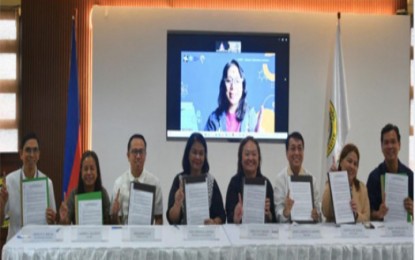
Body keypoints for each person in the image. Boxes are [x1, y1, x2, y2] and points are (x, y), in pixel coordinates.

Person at [0, 132, 56, 241]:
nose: (31, 154)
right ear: (21, 154)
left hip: (39, 244)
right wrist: (2, 203)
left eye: (35, 150)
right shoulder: (9, 181)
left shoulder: (47, 183)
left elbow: (52, 222)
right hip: (15, 245)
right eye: (28, 150)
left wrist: (52, 219)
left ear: (39, 154)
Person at [166, 132, 226, 225]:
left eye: (201, 153)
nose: (197, 157)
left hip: (206, 235)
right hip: (183, 236)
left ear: (205, 157)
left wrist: (214, 222)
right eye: (194, 152)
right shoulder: (179, 180)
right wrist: (177, 204)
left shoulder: (211, 181)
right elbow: (172, 219)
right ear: (188, 154)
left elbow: (222, 216)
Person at [111, 134, 163, 224]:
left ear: (145, 155)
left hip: (148, 236)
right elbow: (115, 224)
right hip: (125, 236)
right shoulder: (118, 183)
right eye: (134, 152)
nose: (138, 156)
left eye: (141, 152)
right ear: (128, 155)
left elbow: (159, 219)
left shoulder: (154, 183)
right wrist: (114, 215)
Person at [366, 123, 413, 221]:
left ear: (399, 145)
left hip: (404, 232)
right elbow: (367, 213)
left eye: (393, 142)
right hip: (380, 234)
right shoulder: (373, 177)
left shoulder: (410, 176)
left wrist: (412, 209)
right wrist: (378, 214)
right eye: (386, 142)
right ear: (381, 147)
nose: (390, 146)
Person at [225, 136, 276, 223]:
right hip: (239, 234)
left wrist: (268, 214)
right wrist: (235, 217)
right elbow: (229, 219)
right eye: (247, 154)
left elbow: (274, 220)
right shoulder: (234, 183)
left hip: (261, 234)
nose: (251, 158)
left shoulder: (266, 183)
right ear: (241, 158)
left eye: (254, 154)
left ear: (259, 158)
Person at [274, 132, 320, 223]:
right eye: (293, 148)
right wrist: (285, 212)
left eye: (300, 148)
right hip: (287, 233)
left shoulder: (312, 180)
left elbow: (318, 212)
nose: (297, 153)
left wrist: (316, 215)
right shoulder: (280, 180)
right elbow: (278, 214)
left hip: (308, 232)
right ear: (287, 153)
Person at [204, 59, 260, 132]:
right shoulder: (214, 118)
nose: (233, 87)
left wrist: (259, 138)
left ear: (243, 86)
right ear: (223, 85)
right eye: (229, 81)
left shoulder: (251, 116)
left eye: (237, 81)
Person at [58, 150, 111, 224]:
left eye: (92, 168)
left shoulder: (103, 193)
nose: (89, 172)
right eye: (85, 169)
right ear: (81, 172)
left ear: (97, 171)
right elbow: (66, 223)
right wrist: (63, 219)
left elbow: (110, 223)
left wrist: (114, 214)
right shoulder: (74, 194)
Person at [322, 143, 370, 222]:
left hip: (354, 232)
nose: (352, 166)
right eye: (349, 161)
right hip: (333, 232)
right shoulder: (331, 182)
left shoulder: (362, 188)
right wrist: (333, 181)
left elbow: (367, 218)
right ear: (340, 162)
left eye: (355, 164)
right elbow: (325, 211)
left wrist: (356, 215)